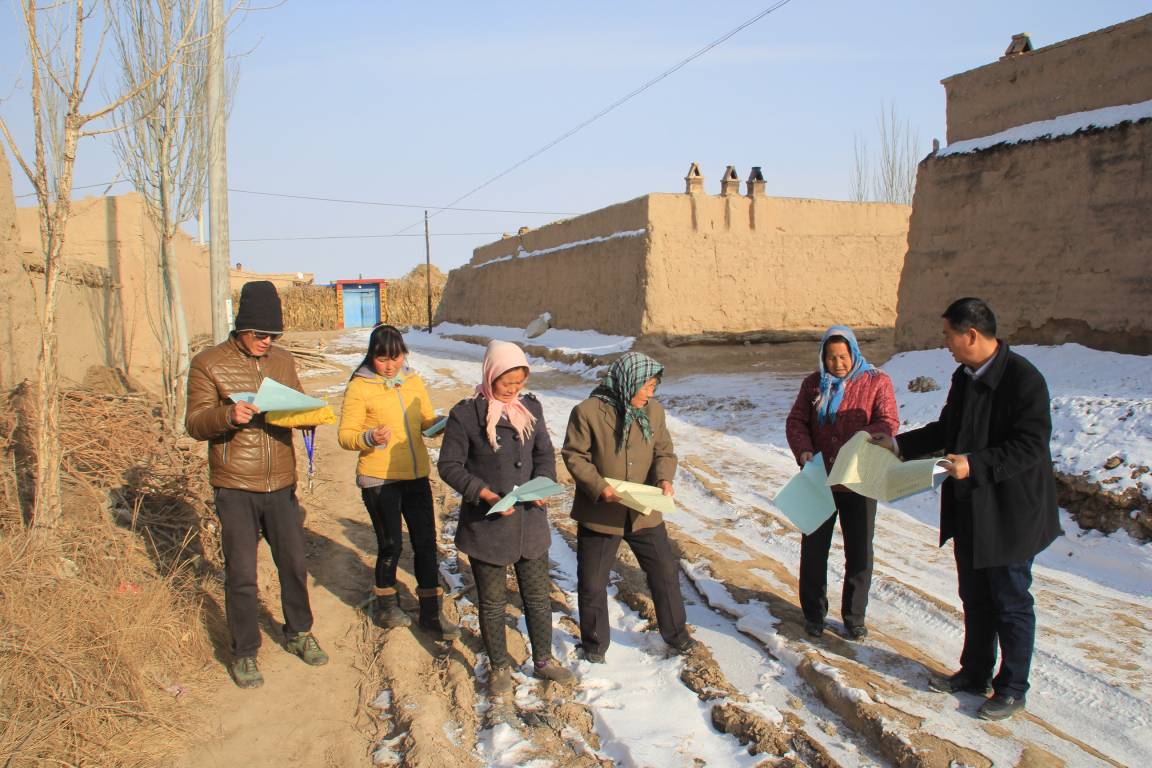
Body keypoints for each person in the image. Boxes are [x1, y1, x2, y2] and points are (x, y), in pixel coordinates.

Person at [872, 297, 1060, 721]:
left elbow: (1030, 446)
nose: (946, 344)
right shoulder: (964, 377)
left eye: (948, 335)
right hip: (970, 507)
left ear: (970, 334)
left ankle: (1012, 687)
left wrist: (974, 464)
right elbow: (947, 429)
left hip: (1011, 512)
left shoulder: (1024, 380)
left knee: (1010, 601)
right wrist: (899, 445)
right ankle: (975, 672)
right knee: (974, 596)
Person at [186, 280, 328, 689]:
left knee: (294, 565)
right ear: (240, 328)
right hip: (235, 485)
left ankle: (299, 632)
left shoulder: (282, 361)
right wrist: (228, 416)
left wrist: (307, 415)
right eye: (259, 335)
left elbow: (297, 402)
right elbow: (195, 423)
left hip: (281, 482)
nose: (266, 342)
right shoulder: (208, 363)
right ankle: (245, 652)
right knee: (242, 575)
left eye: (272, 336)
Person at [437, 341, 575, 694]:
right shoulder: (466, 414)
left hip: (529, 524)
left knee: (537, 597)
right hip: (489, 526)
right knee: (494, 602)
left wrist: (543, 485)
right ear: (490, 374)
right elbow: (450, 466)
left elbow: (544, 452)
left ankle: (543, 660)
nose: (514, 390)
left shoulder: (530, 408)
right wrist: (482, 493)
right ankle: (499, 665)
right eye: (506, 383)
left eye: (519, 382)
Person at [562, 351, 696, 663]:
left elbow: (664, 451)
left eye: (653, 387)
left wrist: (663, 479)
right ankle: (594, 645)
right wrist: (599, 487)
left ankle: (676, 634)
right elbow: (574, 455)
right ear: (627, 382)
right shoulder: (588, 412)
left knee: (664, 572)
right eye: (645, 387)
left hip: (644, 511)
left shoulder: (654, 412)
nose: (650, 393)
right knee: (593, 582)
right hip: (600, 514)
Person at [337, 324, 460, 640]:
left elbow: (426, 422)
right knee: (391, 544)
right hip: (379, 479)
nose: (389, 364)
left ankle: (431, 613)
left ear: (404, 354)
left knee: (426, 544)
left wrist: (442, 425)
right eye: (382, 358)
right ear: (371, 356)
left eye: (395, 357)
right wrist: (369, 437)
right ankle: (386, 605)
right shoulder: (360, 387)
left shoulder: (414, 382)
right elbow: (345, 436)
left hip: (416, 476)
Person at [785, 325, 898, 640]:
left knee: (860, 551)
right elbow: (796, 421)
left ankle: (854, 616)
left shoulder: (877, 382)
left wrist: (865, 438)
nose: (837, 363)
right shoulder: (813, 385)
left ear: (854, 353)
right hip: (819, 476)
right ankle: (813, 614)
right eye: (831, 357)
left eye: (843, 356)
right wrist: (804, 450)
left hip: (859, 478)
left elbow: (888, 420)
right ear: (823, 357)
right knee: (814, 550)